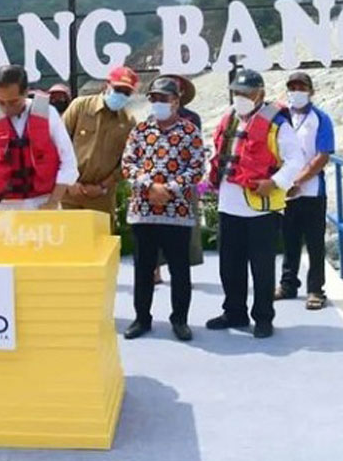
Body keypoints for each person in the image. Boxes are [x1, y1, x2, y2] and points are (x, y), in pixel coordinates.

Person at [205, 69, 303, 339]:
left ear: (260, 94)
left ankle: (263, 318)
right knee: (230, 265)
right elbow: (219, 154)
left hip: (260, 207)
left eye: (246, 93)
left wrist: (274, 182)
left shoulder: (276, 124)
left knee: (262, 267)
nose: (241, 98)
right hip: (229, 204)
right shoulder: (229, 119)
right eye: (237, 93)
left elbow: (296, 160)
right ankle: (234, 311)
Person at [121, 77, 206, 342]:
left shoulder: (190, 132)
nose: (158, 103)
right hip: (143, 211)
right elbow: (128, 164)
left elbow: (197, 167)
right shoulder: (140, 130)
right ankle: (142, 318)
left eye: (164, 99)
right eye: (154, 99)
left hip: (176, 212)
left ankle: (179, 320)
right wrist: (149, 187)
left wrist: (169, 188)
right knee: (143, 268)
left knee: (180, 269)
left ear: (176, 102)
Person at [0, 65, 78, 211]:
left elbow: (69, 162)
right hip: (2, 207)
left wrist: (53, 201)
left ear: (26, 92)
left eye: (13, 102)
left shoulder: (47, 113)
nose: (7, 108)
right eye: (0, 102)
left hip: (45, 203)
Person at [275, 71, 335, 310]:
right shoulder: (280, 118)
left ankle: (315, 290)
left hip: (311, 191)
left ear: (311, 91)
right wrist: (283, 181)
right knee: (288, 240)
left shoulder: (321, 118)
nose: (296, 91)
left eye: (301, 87)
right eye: (292, 87)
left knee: (314, 243)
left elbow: (323, 155)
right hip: (285, 191)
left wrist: (298, 181)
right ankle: (288, 285)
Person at [61, 66, 139, 220]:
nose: (121, 95)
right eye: (118, 89)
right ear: (107, 85)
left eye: (126, 92)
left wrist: (102, 187)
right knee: (69, 241)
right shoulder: (80, 106)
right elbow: (58, 145)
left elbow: (127, 162)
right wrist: (69, 181)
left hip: (100, 198)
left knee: (100, 242)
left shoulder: (128, 122)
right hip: (68, 193)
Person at [152, 74, 204, 285]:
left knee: (184, 230)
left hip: (183, 181)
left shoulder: (192, 118)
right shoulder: (151, 119)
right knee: (154, 228)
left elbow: (195, 150)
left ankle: (181, 271)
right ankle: (155, 270)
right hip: (157, 182)